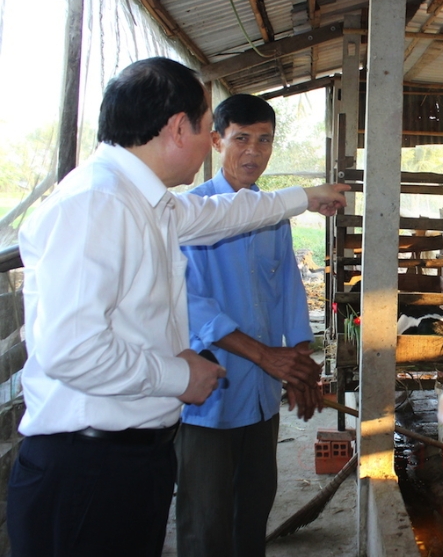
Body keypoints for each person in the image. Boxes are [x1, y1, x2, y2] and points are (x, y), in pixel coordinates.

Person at [7, 57, 349, 557]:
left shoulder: (145, 202)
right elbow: (72, 352)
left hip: (126, 453)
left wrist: (305, 197)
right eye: (210, 127)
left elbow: (221, 212)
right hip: (86, 463)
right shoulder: (95, 205)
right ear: (176, 128)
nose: (216, 142)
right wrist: (178, 376)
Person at [175, 94, 323, 557]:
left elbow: (286, 291)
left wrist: (300, 358)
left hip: (262, 394)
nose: (254, 152)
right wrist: (266, 355)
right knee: (206, 519)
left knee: (254, 505)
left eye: (265, 140)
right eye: (241, 139)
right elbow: (186, 304)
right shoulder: (188, 213)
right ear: (216, 140)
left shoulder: (271, 213)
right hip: (210, 392)